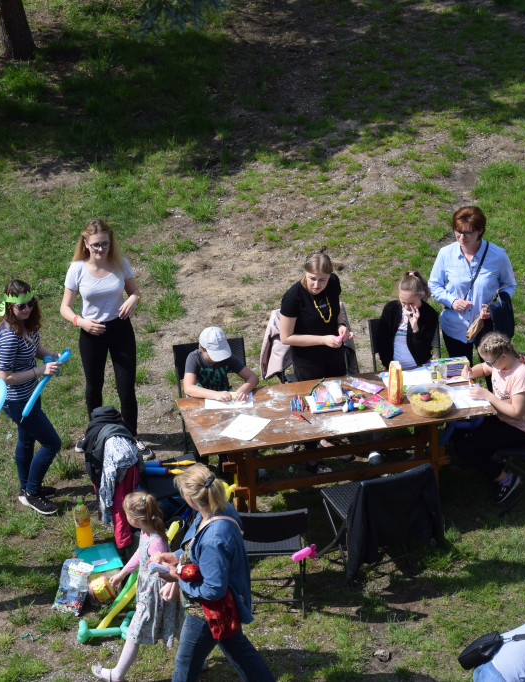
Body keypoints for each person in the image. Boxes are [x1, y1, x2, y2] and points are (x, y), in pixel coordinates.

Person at [152, 465, 276, 682]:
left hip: (207, 610)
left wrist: (178, 577)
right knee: (239, 651)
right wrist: (177, 555)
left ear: (190, 499)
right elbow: (196, 547)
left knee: (185, 663)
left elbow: (213, 589)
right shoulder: (219, 508)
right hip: (228, 605)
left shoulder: (213, 539)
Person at [60, 219, 151, 457]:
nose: (101, 249)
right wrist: (81, 322)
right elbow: (65, 308)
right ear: (86, 244)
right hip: (92, 333)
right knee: (94, 386)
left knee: (126, 385)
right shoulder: (77, 268)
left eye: (106, 244)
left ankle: (131, 435)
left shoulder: (120, 264)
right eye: (96, 245)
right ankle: (94, 434)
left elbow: (135, 291)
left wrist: (133, 299)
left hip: (120, 329)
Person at [90, 492, 183, 681]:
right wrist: (123, 573)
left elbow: (167, 569)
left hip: (156, 594)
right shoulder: (147, 531)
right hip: (151, 591)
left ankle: (116, 675)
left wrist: (170, 589)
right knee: (177, 626)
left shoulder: (155, 542)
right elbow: (140, 555)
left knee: (134, 632)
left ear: (133, 520)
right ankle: (198, 661)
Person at [280, 253, 355, 471]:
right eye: (312, 278)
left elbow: (336, 312)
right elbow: (287, 337)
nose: (317, 284)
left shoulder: (333, 283)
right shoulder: (293, 297)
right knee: (312, 405)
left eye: (322, 279)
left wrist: (341, 326)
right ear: (305, 272)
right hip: (307, 359)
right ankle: (311, 452)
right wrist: (322, 339)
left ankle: (329, 439)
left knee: (335, 398)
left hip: (332, 352)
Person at [0, 279, 64, 516]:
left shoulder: (29, 325)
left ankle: (25, 489)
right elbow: (3, 377)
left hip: (31, 394)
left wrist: (50, 355)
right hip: (17, 401)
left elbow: (34, 349)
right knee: (52, 443)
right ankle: (32, 493)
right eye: (20, 306)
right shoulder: (8, 337)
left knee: (26, 441)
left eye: (30, 303)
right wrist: (39, 370)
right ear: (9, 308)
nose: (26, 309)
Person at [456, 332, 525, 504]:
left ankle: (505, 479)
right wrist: (471, 372)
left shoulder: (520, 375)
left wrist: (488, 396)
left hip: (520, 429)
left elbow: (517, 413)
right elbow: (483, 368)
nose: (489, 365)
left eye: (490, 362)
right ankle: (493, 458)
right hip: (502, 419)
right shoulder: (499, 364)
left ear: (503, 355)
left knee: (465, 447)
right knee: (460, 430)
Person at [429, 206, 516, 369]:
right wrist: (452, 301)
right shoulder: (445, 254)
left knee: (494, 374)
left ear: (480, 231)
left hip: (488, 328)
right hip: (455, 326)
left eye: (467, 232)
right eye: (458, 231)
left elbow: (509, 285)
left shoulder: (498, 255)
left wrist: (494, 308)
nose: (461, 237)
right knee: (460, 375)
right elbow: (434, 284)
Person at [81, 406, 142, 558]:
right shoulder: (121, 428)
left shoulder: (95, 431)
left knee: (119, 507)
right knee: (128, 504)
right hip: (128, 468)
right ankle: (131, 536)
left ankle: (126, 546)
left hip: (118, 469)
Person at [374, 270, 440, 370]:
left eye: (411, 303)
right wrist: (387, 364)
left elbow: (423, 350)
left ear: (421, 295)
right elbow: (382, 340)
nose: (407, 306)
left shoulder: (429, 314)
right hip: (393, 367)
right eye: (403, 302)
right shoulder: (391, 309)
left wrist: (415, 329)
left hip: (419, 366)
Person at [182, 326, 259, 402]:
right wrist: (215, 395)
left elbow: (253, 377)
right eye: (211, 355)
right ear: (200, 347)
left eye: (220, 354)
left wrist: (244, 390)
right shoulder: (194, 358)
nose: (217, 359)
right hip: (200, 398)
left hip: (224, 399)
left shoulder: (227, 357)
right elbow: (188, 388)